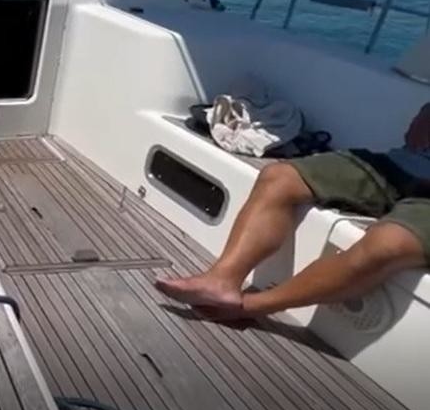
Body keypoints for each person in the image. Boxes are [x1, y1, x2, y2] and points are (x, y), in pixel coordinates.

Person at [156, 103, 430, 319]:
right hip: (403, 164)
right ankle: (221, 281)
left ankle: (252, 306)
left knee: (388, 245)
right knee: (279, 177)